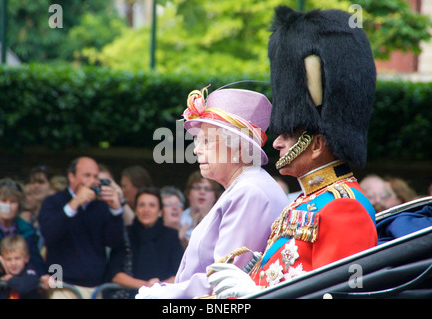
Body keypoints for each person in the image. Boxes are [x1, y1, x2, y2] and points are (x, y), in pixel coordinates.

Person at [208, 6, 378, 298]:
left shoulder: (344, 208)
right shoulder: (303, 202)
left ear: (316, 144)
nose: (276, 143)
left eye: (288, 134)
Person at [136, 84, 289, 299]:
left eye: (206, 141)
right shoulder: (245, 187)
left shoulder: (250, 192)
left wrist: (162, 295)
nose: (196, 149)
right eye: (198, 140)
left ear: (237, 148)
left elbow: (224, 279)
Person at [37, 157, 126, 299]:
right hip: (62, 286)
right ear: (71, 176)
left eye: (95, 176)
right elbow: (50, 234)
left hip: (95, 288)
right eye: (87, 175)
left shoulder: (101, 206)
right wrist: (75, 203)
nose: (92, 181)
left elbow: (114, 243)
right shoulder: (54, 201)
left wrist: (116, 211)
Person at [120, 187, 184, 297]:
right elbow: (115, 274)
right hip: (130, 294)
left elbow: (179, 274)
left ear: (160, 211)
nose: (146, 210)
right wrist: (146, 286)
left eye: (152, 205)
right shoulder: (125, 234)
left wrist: (157, 287)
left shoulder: (171, 235)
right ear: (135, 209)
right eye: (142, 205)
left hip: (162, 295)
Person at [0, 178, 47, 283]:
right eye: (4, 201)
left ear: (19, 206)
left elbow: (36, 263)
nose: (8, 206)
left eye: (13, 202)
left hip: (20, 287)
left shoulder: (27, 230)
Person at [179, 171, 222, 247]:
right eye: (197, 188)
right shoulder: (178, 219)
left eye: (208, 189)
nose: (202, 192)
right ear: (188, 193)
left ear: (215, 196)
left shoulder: (222, 220)